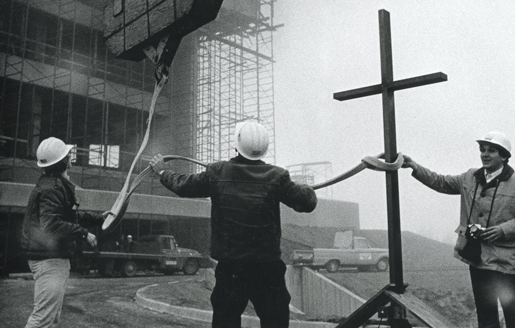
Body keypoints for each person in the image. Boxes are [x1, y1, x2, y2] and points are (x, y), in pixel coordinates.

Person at [149, 121, 317, 328]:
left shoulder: (217, 172)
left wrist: (164, 173)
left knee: (225, 321)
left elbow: (183, 185)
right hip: (268, 268)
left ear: (236, 145)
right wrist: (306, 188)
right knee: (275, 321)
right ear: (264, 148)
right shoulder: (278, 177)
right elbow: (307, 203)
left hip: (232, 269)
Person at [402, 131, 515, 328]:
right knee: (486, 316)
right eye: (482, 150)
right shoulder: (470, 177)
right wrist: (415, 167)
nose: (485, 154)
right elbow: (441, 182)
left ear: (504, 156)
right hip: (477, 258)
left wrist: (503, 230)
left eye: (491, 151)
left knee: (514, 315)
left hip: (505, 262)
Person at [21, 137, 108, 328]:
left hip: (49, 257)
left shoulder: (53, 185)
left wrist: (99, 218)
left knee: (51, 319)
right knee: (42, 319)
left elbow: (69, 216)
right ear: (64, 161)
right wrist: (84, 234)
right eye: (68, 155)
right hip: (49, 259)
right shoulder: (53, 188)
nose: (70, 158)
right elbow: (51, 224)